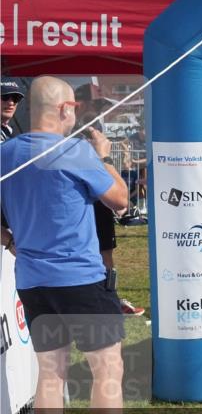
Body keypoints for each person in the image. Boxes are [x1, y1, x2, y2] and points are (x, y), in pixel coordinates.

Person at [0, 77, 130, 414]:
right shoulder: (76, 151)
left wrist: (10, 240)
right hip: (80, 281)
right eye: (74, 107)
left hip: (32, 280)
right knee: (107, 369)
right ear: (64, 109)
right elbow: (120, 200)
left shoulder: (5, 153)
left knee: (51, 372)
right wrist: (103, 157)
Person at [75, 84, 144, 317]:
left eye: (103, 105)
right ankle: (99, 301)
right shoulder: (67, 128)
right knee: (82, 252)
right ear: (79, 103)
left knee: (106, 251)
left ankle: (110, 297)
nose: (100, 109)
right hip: (79, 200)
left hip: (100, 197)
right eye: (97, 104)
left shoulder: (96, 126)